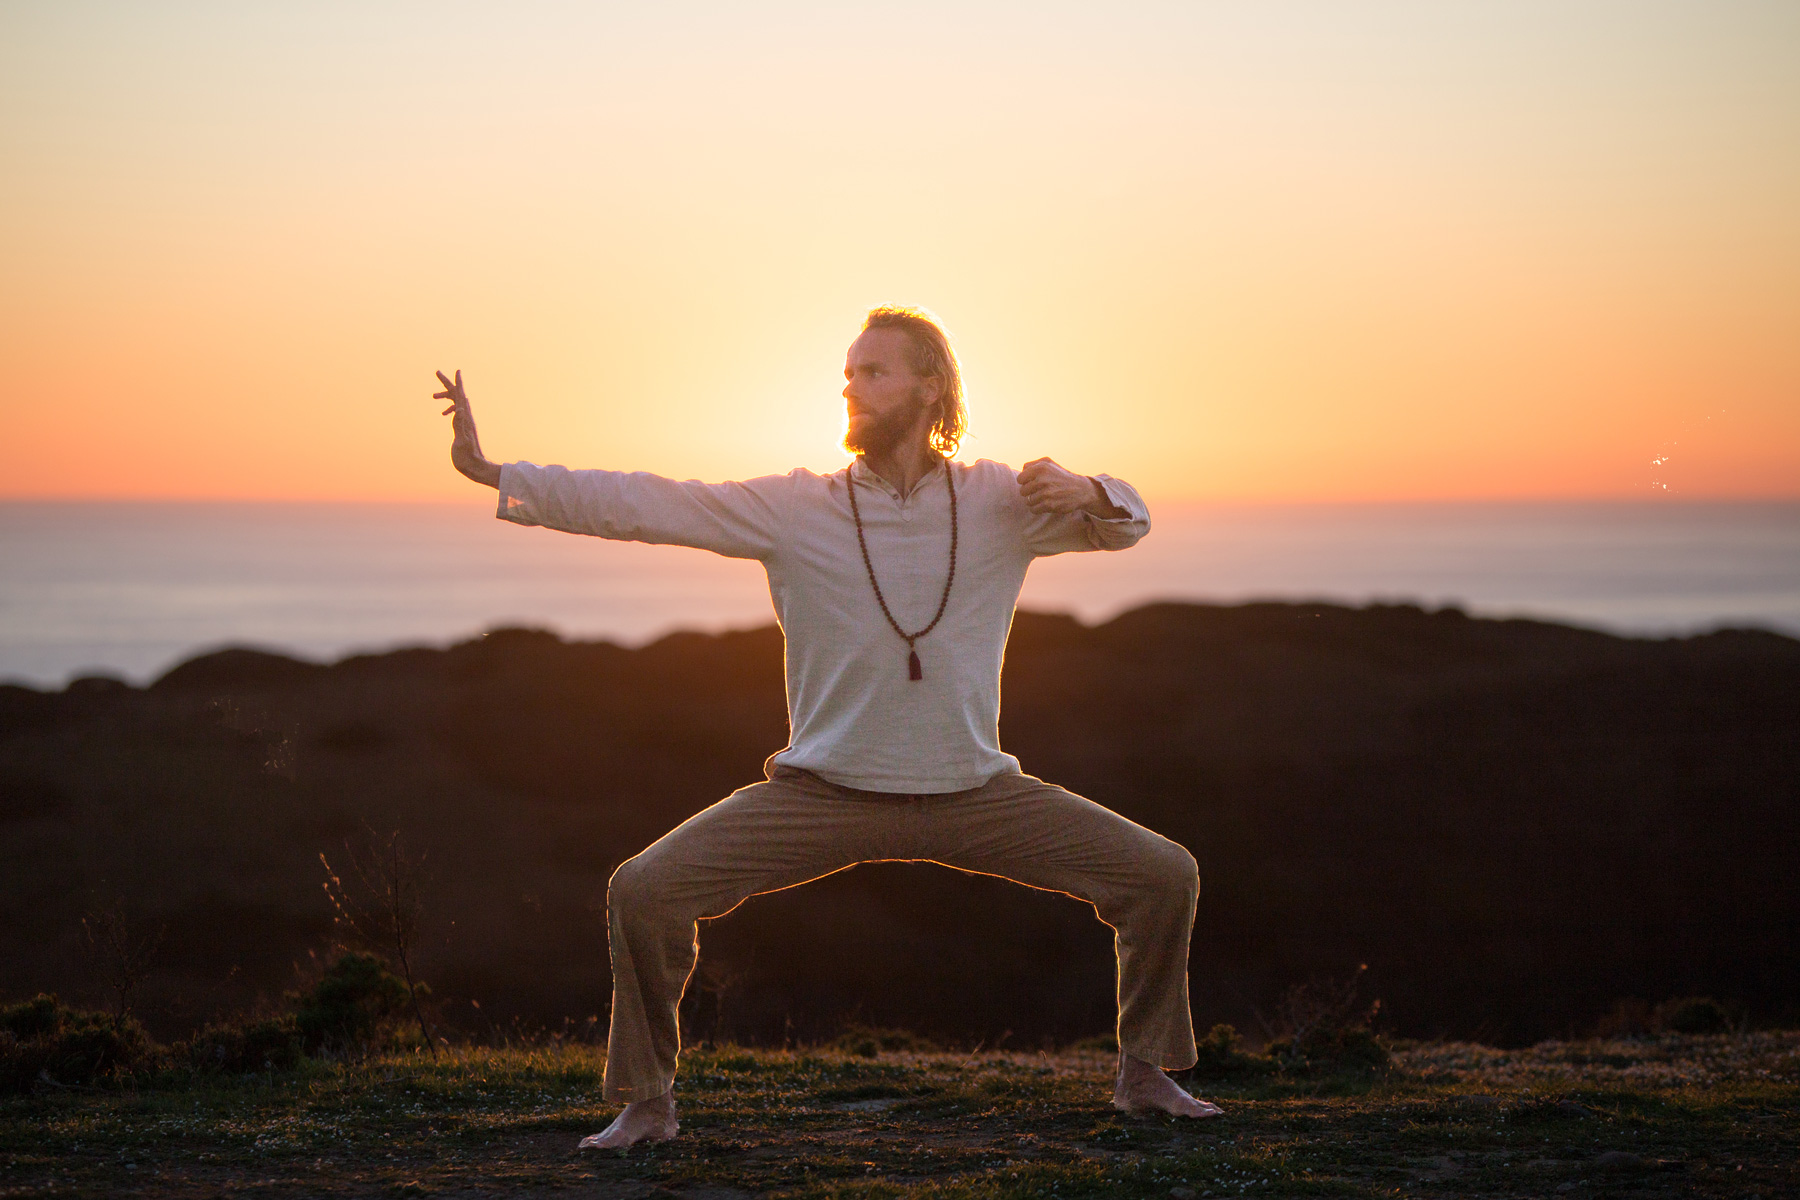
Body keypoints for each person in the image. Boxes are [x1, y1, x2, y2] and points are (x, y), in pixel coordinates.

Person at [436, 306, 1220, 1150]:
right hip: (823, 790)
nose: (850, 385)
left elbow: (1130, 523)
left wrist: (1092, 491)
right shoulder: (796, 509)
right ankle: (647, 1101)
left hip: (973, 788)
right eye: (846, 372)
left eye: (872, 372)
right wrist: (495, 471)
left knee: (1161, 876)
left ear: (930, 387)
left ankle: (1145, 1074)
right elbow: (645, 502)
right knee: (645, 890)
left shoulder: (1002, 499)